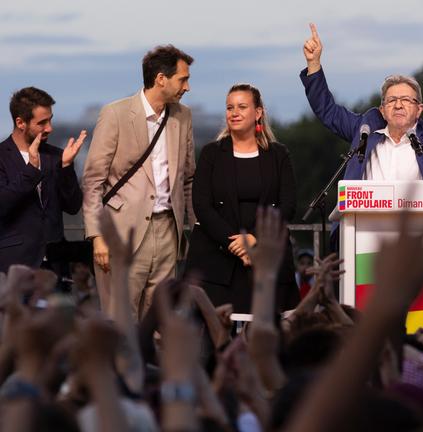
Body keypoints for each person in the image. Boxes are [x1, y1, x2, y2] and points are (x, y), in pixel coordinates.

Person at [300, 23, 423, 261]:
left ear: (419, 109)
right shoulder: (365, 130)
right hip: (366, 241)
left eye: (406, 100)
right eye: (391, 100)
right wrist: (314, 65)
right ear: (382, 109)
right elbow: (327, 110)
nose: (398, 105)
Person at [81, 45, 196, 319]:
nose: (187, 87)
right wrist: (97, 238)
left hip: (169, 231)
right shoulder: (115, 114)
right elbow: (93, 181)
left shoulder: (183, 116)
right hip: (121, 234)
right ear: (160, 79)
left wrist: (196, 230)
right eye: (183, 79)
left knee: (159, 321)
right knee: (121, 322)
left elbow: (188, 178)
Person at [185, 83, 300, 313]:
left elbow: (288, 205)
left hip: (266, 258)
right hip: (217, 260)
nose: (234, 113)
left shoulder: (279, 155)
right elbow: (202, 205)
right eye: (229, 107)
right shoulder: (211, 154)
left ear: (258, 113)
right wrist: (237, 245)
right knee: (214, 340)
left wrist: (254, 239)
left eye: (241, 107)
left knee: (269, 341)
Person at [0, 87, 86, 273]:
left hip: (56, 265)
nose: (50, 128)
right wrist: (31, 170)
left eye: (50, 120)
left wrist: (66, 167)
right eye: (42, 122)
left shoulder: (56, 156)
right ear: (20, 122)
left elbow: (73, 206)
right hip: (14, 266)